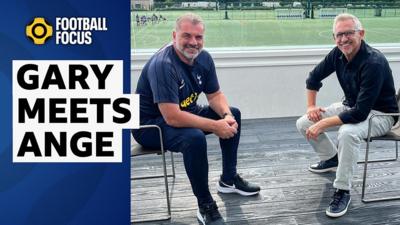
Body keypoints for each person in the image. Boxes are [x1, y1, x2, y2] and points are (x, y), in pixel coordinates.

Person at [132, 13, 260, 225]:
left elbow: (215, 95)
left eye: (198, 37)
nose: (193, 42)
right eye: (187, 36)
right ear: (174, 36)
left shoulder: (204, 58)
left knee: (233, 113)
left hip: (185, 111)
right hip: (150, 125)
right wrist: (215, 126)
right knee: (194, 138)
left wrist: (226, 116)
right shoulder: (163, 65)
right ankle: (205, 205)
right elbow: (172, 117)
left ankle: (228, 180)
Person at [296, 13, 398, 218]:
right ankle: (332, 158)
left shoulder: (373, 62)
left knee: (347, 133)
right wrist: (311, 107)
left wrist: (322, 124)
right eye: (339, 35)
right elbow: (313, 78)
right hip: (351, 106)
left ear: (361, 33)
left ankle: (342, 190)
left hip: (381, 114)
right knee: (304, 122)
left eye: (349, 33)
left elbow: (361, 113)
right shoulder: (337, 53)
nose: (343, 39)